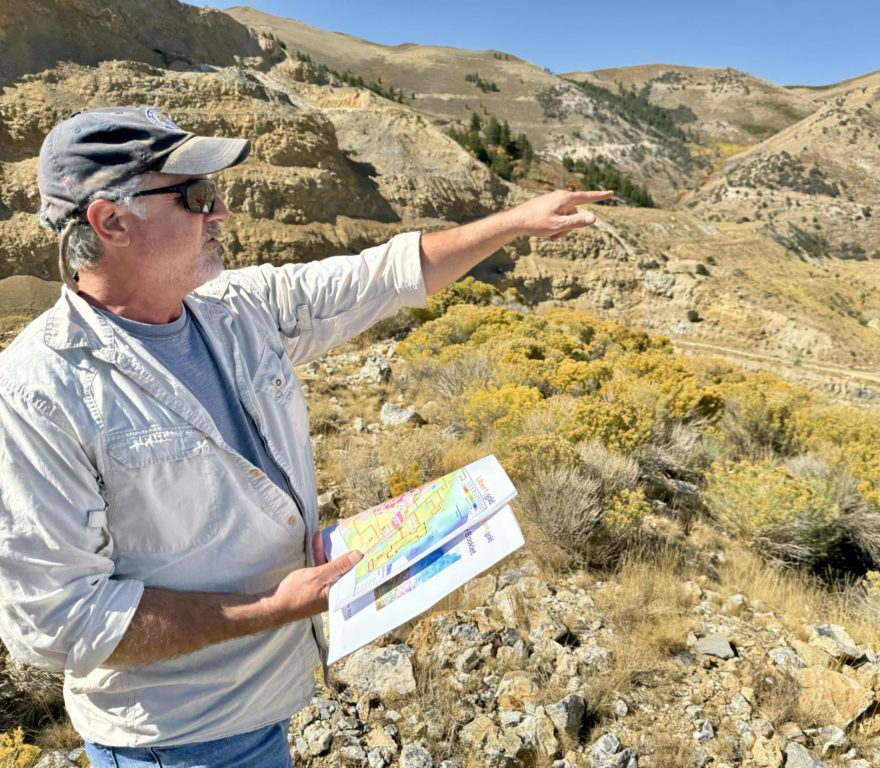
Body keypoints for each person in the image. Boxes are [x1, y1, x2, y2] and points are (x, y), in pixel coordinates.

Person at [0, 106, 611, 767]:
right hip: (179, 740)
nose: (221, 213)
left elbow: (382, 275)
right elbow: (56, 618)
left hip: (267, 699)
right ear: (111, 221)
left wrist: (517, 222)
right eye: (196, 195)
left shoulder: (235, 308)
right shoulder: (38, 389)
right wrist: (267, 608)